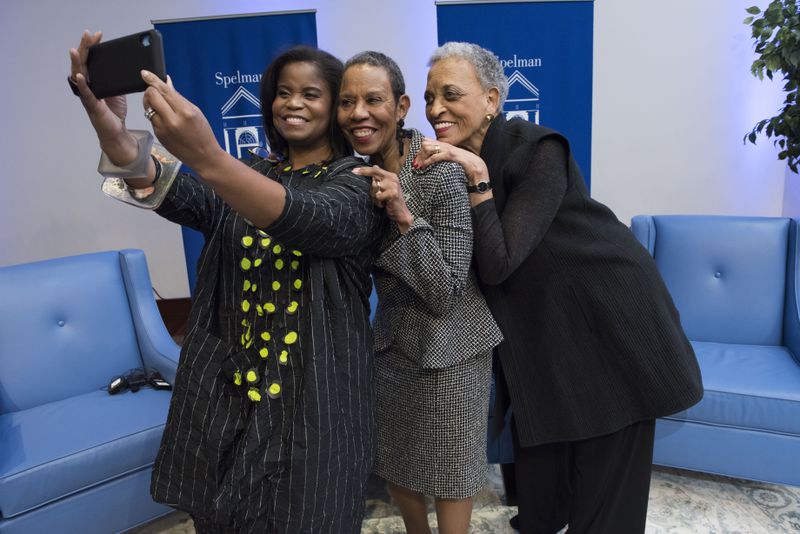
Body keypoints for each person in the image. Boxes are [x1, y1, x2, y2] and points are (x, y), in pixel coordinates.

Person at [69, 31, 385, 533]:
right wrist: (109, 125)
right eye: (284, 92)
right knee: (220, 517)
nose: (293, 103)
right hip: (227, 395)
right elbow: (163, 187)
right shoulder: (247, 172)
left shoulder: (359, 185)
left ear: (335, 108)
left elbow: (307, 218)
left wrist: (209, 157)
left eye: (310, 93)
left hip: (312, 407)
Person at [414, 42, 704, 534]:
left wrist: (480, 181)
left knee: (606, 466)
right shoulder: (454, 161)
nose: (436, 108)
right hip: (547, 325)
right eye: (428, 97)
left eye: (450, 94)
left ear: (491, 99)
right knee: (543, 463)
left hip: (609, 312)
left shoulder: (540, 149)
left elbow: (500, 261)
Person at [336, 51, 503, 534]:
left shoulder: (439, 169)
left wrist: (403, 215)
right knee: (396, 461)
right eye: (348, 102)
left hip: (452, 346)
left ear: (401, 105)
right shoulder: (353, 177)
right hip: (391, 344)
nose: (360, 113)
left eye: (373, 99)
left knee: (452, 472)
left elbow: (447, 288)